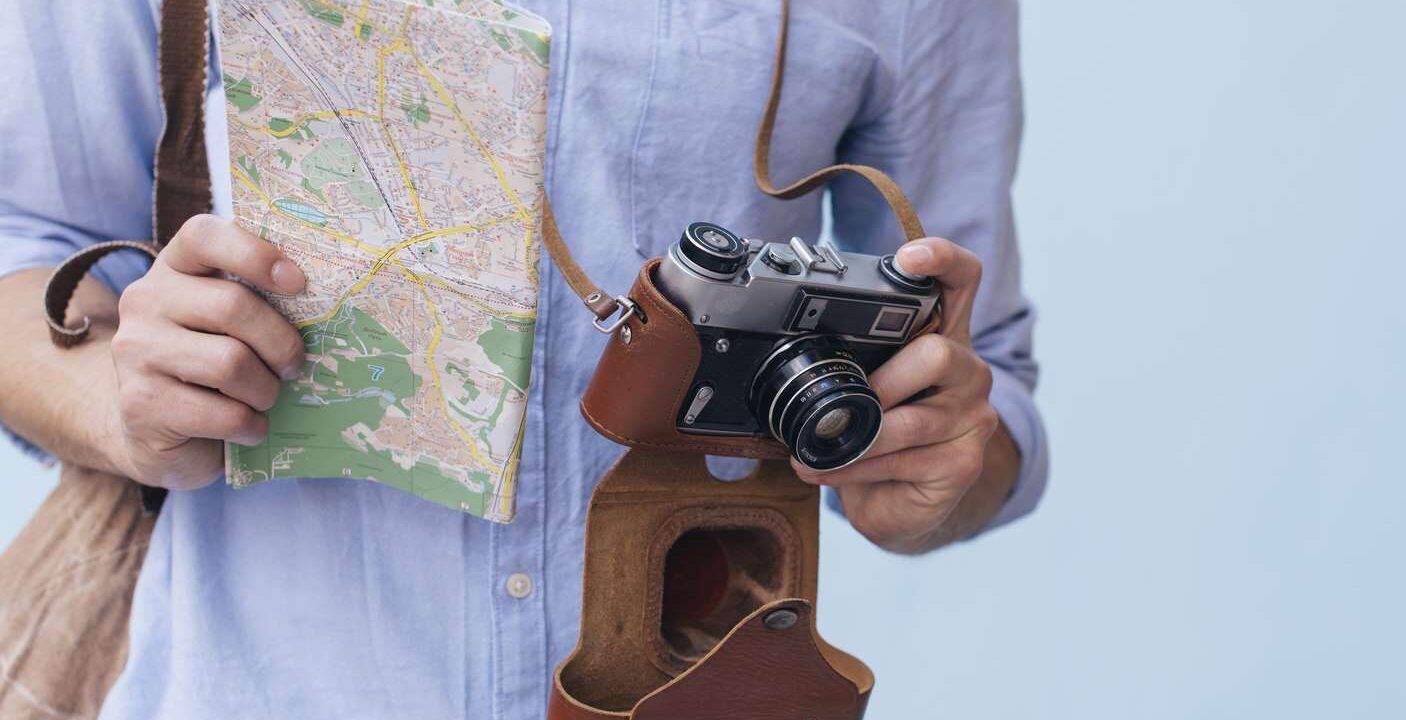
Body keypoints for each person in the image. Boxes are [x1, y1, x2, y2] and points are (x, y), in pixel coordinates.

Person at [0, 1, 1045, 717]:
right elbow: (21, 242)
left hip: (682, 680)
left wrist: (941, 465)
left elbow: (982, 378)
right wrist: (117, 397)